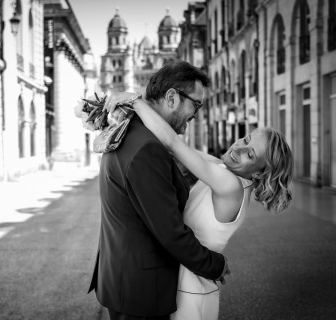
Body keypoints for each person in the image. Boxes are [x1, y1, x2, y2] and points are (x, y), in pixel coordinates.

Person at [104, 89, 294, 320]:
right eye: (245, 139)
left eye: (250, 155)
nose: (238, 149)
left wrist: (134, 100)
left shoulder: (230, 184)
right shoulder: (224, 171)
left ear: (260, 174)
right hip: (186, 280)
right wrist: (124, 117)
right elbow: (168, 146)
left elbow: (173, 143)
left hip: (192, 290)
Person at [88, 61, 230, 320]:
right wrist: (214, 264)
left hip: (124, 278)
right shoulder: (148, 148)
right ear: (172, 98)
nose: (196, 114)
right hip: (139, 290)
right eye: (196, 104)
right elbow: (170, 232)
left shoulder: (133, 131)